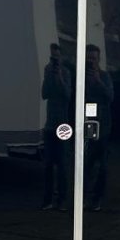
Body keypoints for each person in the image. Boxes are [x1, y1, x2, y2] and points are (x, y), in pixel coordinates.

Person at [41, 43, 72, 210]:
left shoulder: (66, 73)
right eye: (52, 57)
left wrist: (59, 77)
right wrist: (48, 76)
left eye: (56, 57)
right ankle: (47, 200)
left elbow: (68, 95)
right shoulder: (48, 71)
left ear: (62, 58)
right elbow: (44, 94)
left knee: (62, 164)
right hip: (50, 124)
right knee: (48, 165)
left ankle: (62, 200)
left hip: (63, 124)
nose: (54, 60)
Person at [83, 44, 113, 211]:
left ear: (99, 59)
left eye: (93, 58)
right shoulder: (81, 77)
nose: (91, 61)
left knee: (102, 165)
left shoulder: (104, 76)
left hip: (103, 124)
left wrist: (98, 81)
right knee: (87, 163)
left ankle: (97, 198)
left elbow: (110, 97)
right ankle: (84, 197)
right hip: (89, 123)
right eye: (89, 58)